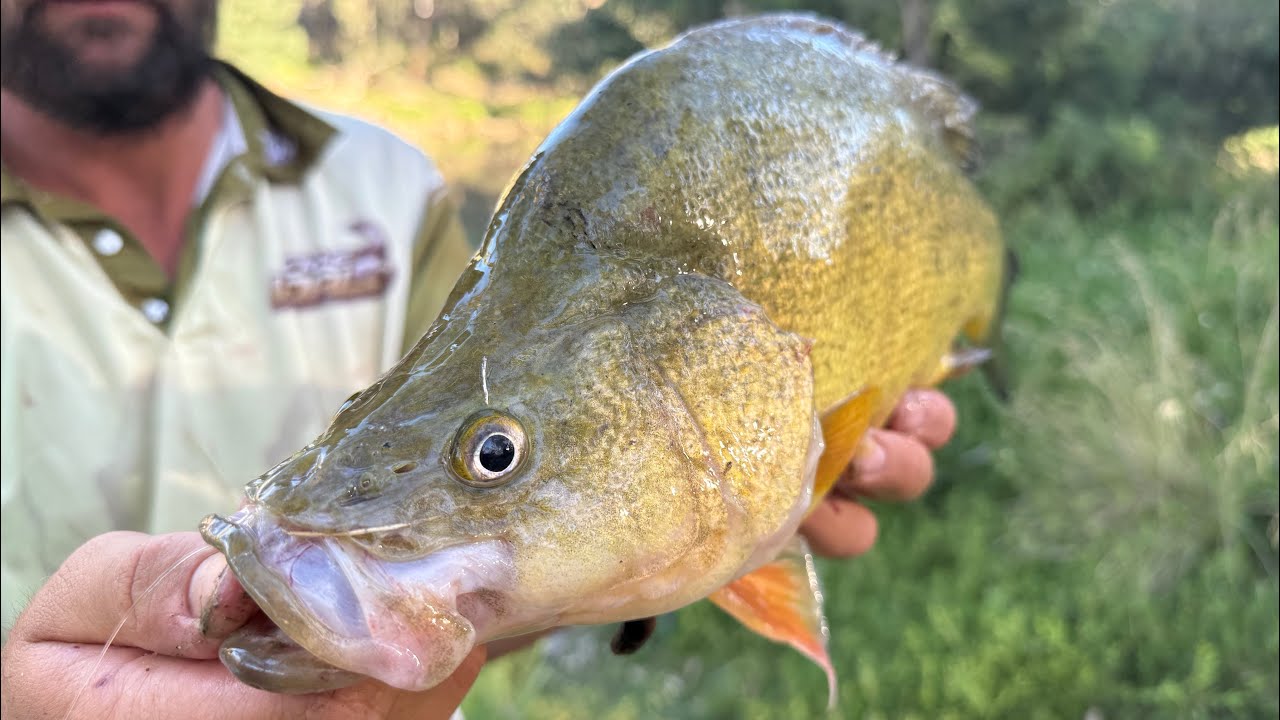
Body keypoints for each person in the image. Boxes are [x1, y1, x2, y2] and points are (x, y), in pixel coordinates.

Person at [0, 1, 959, 717]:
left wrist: (681, 561)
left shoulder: (388, 183)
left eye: (492, 453)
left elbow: (529, 487)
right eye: (492, 453)